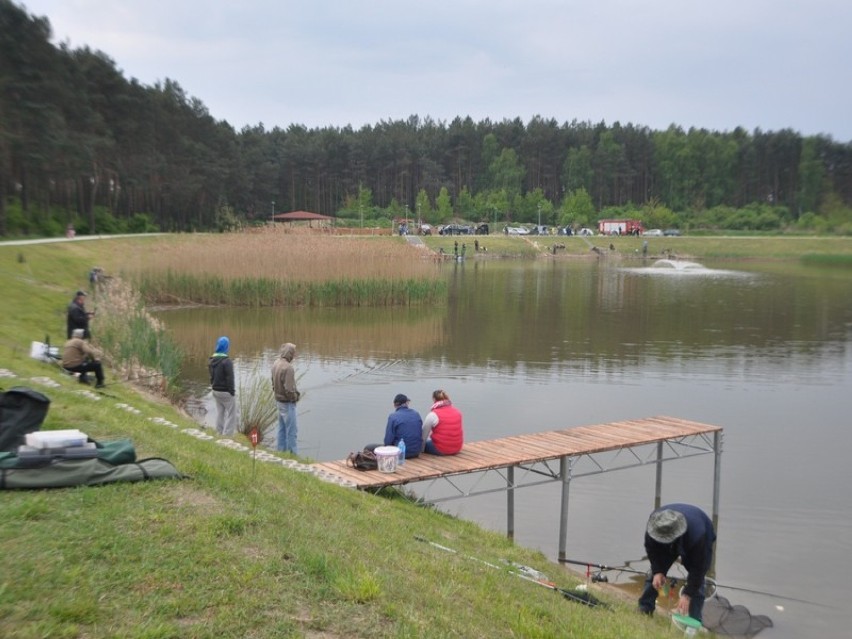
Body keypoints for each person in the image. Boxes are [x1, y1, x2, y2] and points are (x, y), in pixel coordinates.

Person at [638, 503, 716, 623]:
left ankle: (693, 622)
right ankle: (644, 609)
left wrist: (687, 594)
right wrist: (658, 570)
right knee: (654, 575)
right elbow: (651, 549)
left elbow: (699, 569)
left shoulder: (698, 536)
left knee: (697, 581)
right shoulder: (653, 525)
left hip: (698, 536)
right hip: (673, 537)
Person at [271, 342, 300, 454]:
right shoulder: (288, 368)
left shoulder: (275, 363)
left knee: (281, 430)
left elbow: (272, 383)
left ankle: (280, 452)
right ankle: (293, 456)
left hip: (279, 402)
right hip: (288, 404)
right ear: (289, 353)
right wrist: (295, 397)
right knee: (292, 431)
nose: (294, 355)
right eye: (293, 353)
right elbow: (289, 390)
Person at [208, 336, 236, 437]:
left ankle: (219, 432)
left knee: (220, 412)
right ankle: (227, 436)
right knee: (232, 414)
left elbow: (211, 377)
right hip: (225, 392)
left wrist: (213, 386)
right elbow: (230, 379)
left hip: (215, 390)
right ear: (226, 347)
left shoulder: (211, 360)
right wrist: (232, 392)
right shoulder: (227, 361)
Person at [421, 389, 464, 455]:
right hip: (457, 448)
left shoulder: (433, 414)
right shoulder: (458, 412)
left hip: (441, 449)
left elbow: (423, 435)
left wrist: (421, 450)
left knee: (426, 440)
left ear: (434, 399)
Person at [381, 393, 422, 458]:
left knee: (370, 447)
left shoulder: (393, 417)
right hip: (416, 451)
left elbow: (388, 440)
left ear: (395, 405)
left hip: (401, 453)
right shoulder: (416, 414)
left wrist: (386, 449)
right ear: (406, 403)